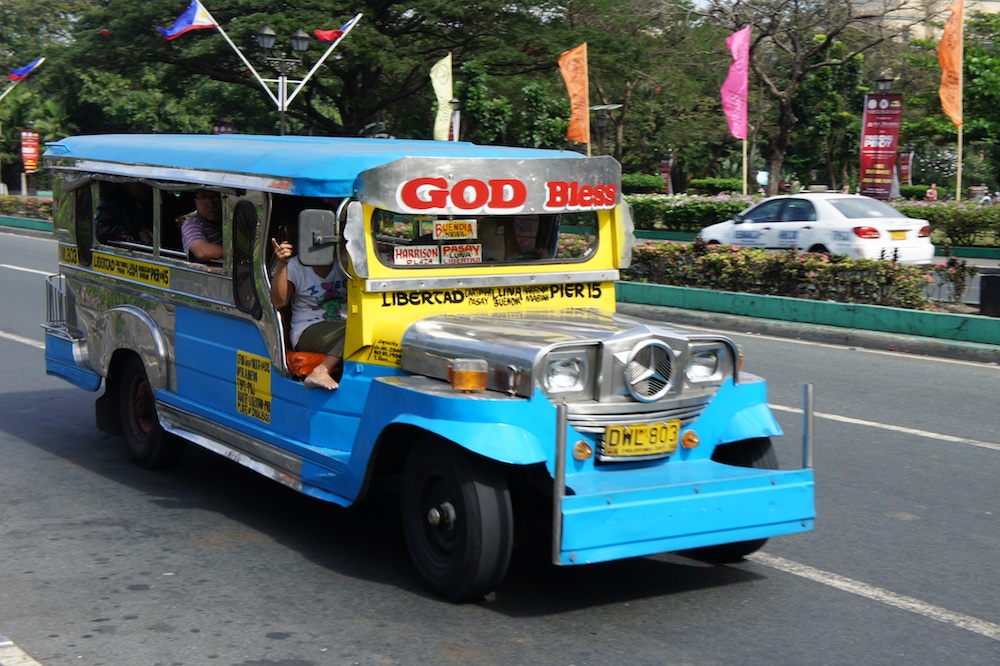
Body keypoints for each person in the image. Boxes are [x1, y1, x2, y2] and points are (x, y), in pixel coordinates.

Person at [270, 238, 348, 390]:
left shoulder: (346, 263)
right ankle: (322, 370)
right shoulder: (295, 266)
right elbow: (279, 302)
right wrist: (282, 263)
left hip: (342, 325)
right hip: (308, 329)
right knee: (358, 331)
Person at [181, 189, 223, 261]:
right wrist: (239, 253)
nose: (211, 204)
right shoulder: (192, 223)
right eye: (204, 198)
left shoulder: (227, 219)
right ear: (196, 202)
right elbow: (201, 251)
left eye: (216, 198)